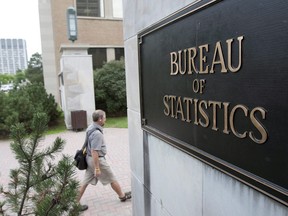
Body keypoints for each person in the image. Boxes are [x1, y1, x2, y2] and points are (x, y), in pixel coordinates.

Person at [77, 109, 131, 211]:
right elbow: (94, 151)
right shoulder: (97, 134)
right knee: (112, 178)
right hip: (96, 160)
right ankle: (122, 196)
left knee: (85, 182)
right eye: (105, 117)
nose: (105, 119)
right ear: (100, 119)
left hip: (89, 159)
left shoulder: (90, 127)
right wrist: (97, 168)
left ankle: (74, 203)